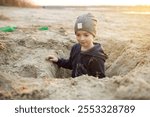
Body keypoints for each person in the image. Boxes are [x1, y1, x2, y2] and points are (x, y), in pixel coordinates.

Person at [46, 13, 107, 78]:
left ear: (93, 35)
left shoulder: (97, 57)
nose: (82, 39)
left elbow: (100, 78)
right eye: (78, 35)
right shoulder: (76, 48)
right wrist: (58, 61)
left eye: (86, 35)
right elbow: (70, 64)